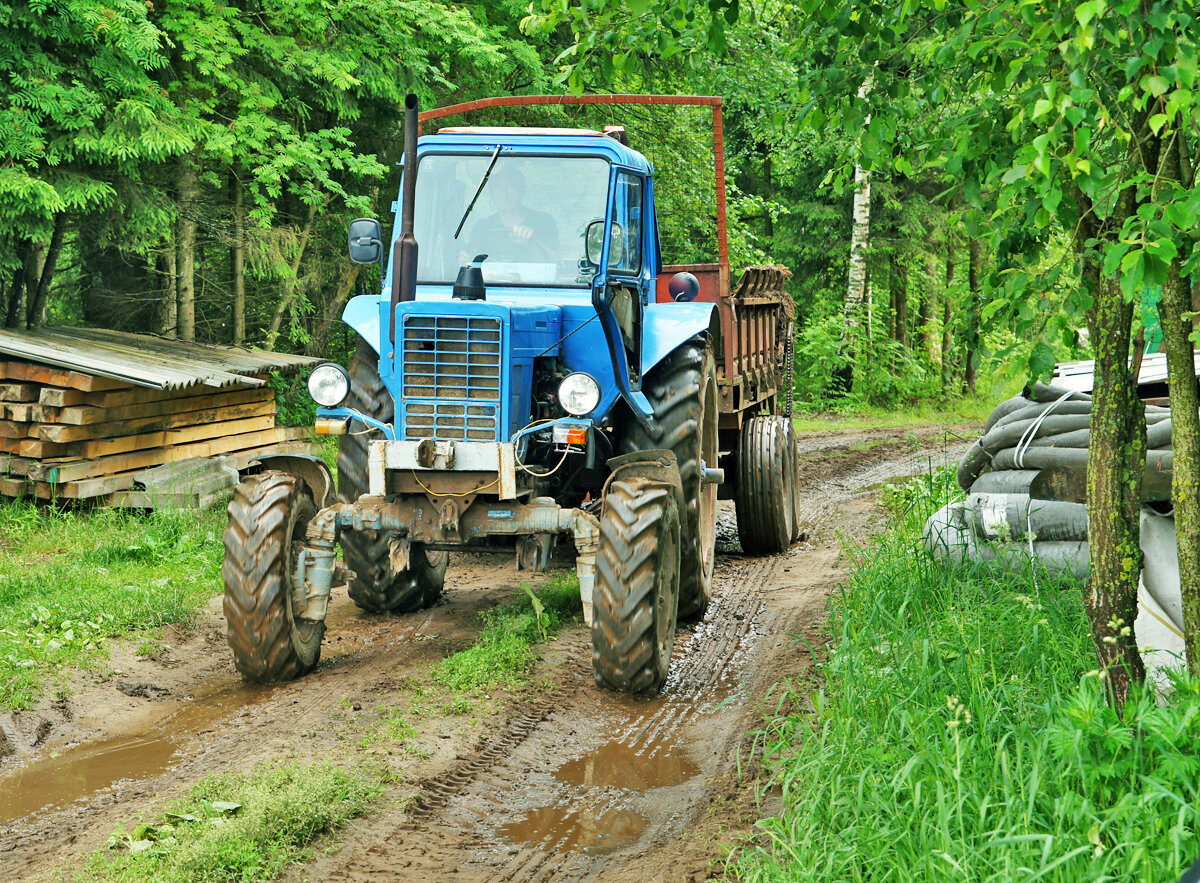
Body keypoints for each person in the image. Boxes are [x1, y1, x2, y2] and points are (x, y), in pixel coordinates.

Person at [466, 166, 560, 264]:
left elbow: (554, 262)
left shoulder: (543, 221)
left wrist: (531, 243)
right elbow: (472, 264)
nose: (504, 193)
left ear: (522, 190)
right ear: (491, 193)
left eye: (511, 186)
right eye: (498, 187)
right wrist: (466, 260)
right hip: (490, 279)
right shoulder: (482, 227)